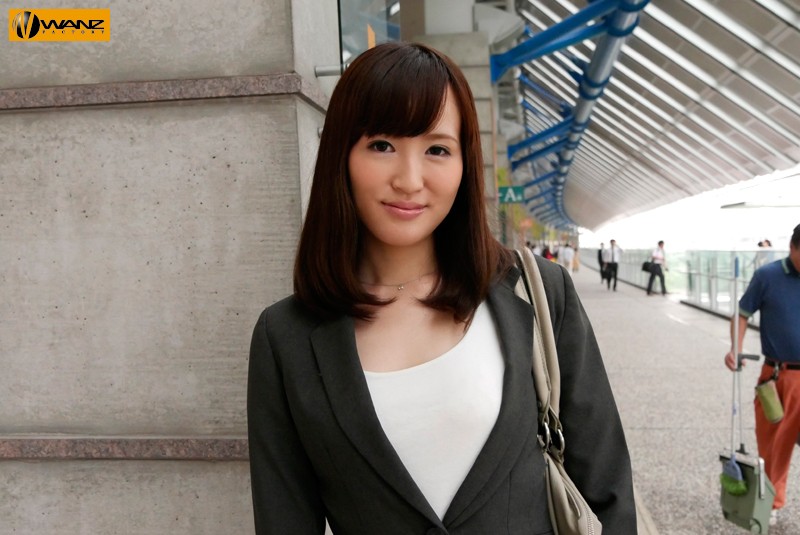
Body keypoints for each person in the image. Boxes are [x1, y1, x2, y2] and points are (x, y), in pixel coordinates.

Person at [246, 41, 636, 534]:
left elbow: (608, 491)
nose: (410, 180)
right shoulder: (286, 337)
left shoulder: (535, 292)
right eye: (382, 145)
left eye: (437, 150)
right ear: (340, 155)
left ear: (464, 164)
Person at [724, 224, 800, 527]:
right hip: (777, 378)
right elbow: (742, 314)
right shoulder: (767, 276)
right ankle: (772, 500)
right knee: (774, 445)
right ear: (793, 248)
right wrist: (736, 348)